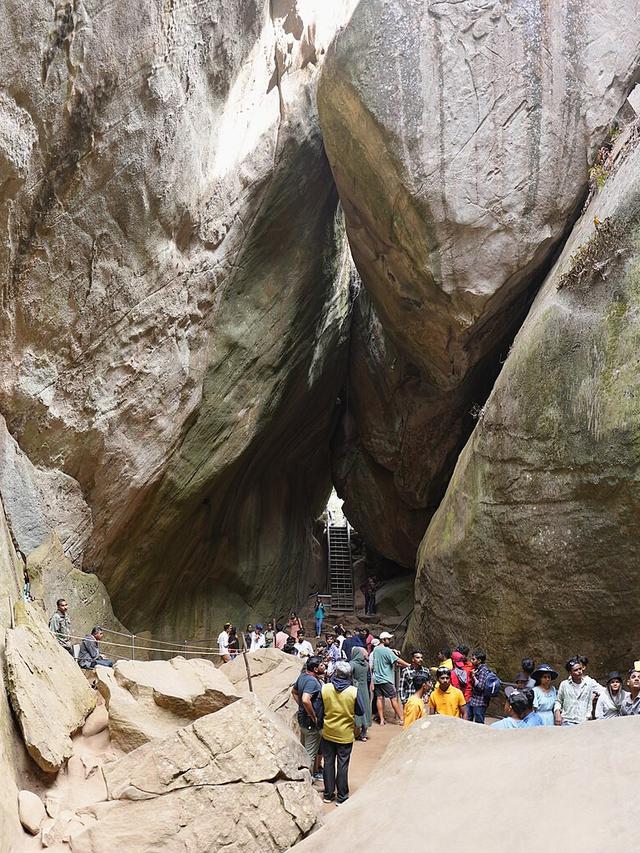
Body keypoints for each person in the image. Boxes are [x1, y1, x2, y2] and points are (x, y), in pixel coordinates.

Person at [319, 660, 365, 805]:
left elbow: (320, 710)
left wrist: (320, 726)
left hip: (328, 731)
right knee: (342, 764)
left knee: (328, 763)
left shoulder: (325, 688)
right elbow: (361, 711)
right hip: (345, 734)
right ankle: (342, 796)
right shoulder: (353, 691)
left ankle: (328, 794)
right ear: (349, 675)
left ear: (336, 673)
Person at [292, 656, 325, 780]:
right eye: (322, 665)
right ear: (315, 669)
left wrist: (301, 706)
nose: (324, 666)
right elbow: (306, 699)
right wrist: (313, 715)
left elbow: (294, 692)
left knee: (305, 750)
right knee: (309, 755)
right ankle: (307, 780)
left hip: (303, 719)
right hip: (310, 722)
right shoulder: (312, 681)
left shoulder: (302, 677)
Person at [372, 631, 408, 725]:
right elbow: (397, 659)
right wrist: (408, 665)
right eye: (388, 639)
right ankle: (401, 718)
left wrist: (392, 650)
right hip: (385, 678)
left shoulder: (376, 649)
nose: (390, 640)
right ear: (383, 640)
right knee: (393, 698)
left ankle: (382, 720)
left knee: (379, 698)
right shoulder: (386, 651)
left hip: (377, 679)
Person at [554, 658, 603, 725]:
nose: (579, 671)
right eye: (575, 670)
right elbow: (558, 701)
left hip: (583, 721)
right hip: (567, 720)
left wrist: (588, 716)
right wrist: (557, 713)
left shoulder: (588, 684)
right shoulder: (564, 684)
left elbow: (589, 704)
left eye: (580, 669)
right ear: (570, 673)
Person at [350, 646, 372, 741]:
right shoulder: (366, 664)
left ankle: (354, 733)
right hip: (365, 689)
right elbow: (369, 677)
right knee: (365, 708)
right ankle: (363, 734)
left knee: (354, 709)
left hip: (355, 689)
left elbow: (348, 675)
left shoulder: (352, 664)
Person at [468, 649, 490, 724]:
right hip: (473, 700)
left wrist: (473, 677)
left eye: (473, 659)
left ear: (479, 660)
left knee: (479, 723)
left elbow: (480, 686)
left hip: (480, 701)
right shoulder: (477, 669)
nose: (471, 661)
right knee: (469, 720)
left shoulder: (483, 670)